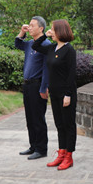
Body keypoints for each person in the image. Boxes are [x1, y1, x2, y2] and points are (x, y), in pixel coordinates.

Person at [32, 19, 77, 170]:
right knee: (59, 124)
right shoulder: (52, 48)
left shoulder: (69, 50)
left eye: (53, 29)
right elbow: (35, 46)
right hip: (54, 93)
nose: (51, 32)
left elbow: (71, 75)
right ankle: (61, 153)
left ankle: (69, 156)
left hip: (66, 94)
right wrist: (44, 35)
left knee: (68, 125)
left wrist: (68, 95)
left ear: (60, 31)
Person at [15, 17, 50, 160]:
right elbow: (18, 44)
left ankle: (41, 149)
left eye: (32, 25)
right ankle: (33, 146)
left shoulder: (46, 44)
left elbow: (47, 69)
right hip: (28, 85)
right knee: (30, 117)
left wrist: (44, 88)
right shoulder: (30, 43)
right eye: (28, 25)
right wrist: (22, 32)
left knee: (38, 118)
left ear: (41, 28)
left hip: (37, 84)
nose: (29, 27)